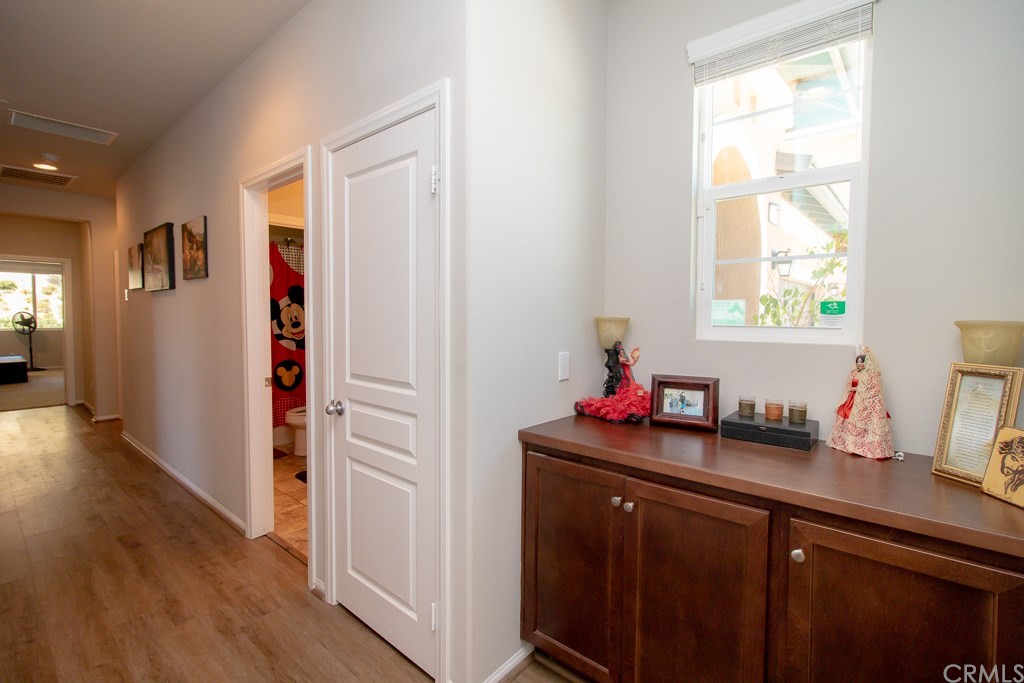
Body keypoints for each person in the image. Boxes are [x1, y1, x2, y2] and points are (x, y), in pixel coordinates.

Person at [826, 346, 894, 460]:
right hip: (852, 399)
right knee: (846, 415)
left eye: (861, 362)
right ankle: (849, 443)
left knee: (863, 418)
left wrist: (859, 390)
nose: (858, 364)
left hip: (863, 401)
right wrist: (852, 390)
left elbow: (873, 389)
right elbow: (850, 385)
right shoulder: (855, 373)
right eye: (857, 362)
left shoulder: (871, 375)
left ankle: (865, 446)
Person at [575, 341, 651, 423]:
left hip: (626, 377)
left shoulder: (621, 359)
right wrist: (633, 359)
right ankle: (630, 413)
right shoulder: (620, 359)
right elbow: (629, 363)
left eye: (622, 351)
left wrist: (634, 358)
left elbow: (630, 364)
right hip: (624, 377)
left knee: (632, 395)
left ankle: (632, 413)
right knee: (626, 397)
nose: (622, 352)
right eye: (621, 351)